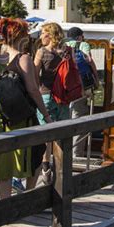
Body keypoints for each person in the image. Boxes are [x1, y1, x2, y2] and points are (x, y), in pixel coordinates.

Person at [0, 18, 51, 198]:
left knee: (4, 158)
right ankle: (29, 196)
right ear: (20, 35)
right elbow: (33, 89)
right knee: (36, 152)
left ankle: (4, 203)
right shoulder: (23, 58)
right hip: (22, 113)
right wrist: (45, 114)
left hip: (0, 112)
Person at [34, 22, 68, 184]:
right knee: (60, 135)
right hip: (62, 98)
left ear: (49, 35)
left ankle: (46, 170)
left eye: (42, 33)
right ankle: (60, 170)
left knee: (46, 136)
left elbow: (33, 77)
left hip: (45, 96)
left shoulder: (42, 52)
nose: (40, 36)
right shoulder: (67, 51)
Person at [65, 26, 99, 159]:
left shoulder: (64, 44)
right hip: (80, 86)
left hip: (64, 87)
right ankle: (76, 155)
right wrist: (96, 78)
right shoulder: (82, 44)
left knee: (65, 118)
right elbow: (89, 60)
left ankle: (60, 153)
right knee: (79, 117)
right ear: (79, 37)